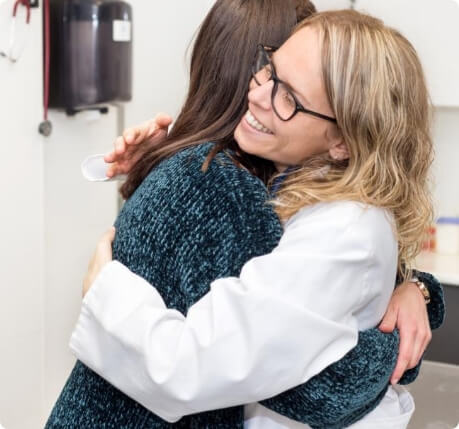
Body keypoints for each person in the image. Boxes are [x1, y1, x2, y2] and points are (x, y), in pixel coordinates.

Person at [46, 4, 444, 429]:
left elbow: (197, 367)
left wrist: (105, 292)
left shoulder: (343, 228)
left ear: (343, 141)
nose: (256, 94)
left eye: (289, 97)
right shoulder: (261, 179)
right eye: (268, 69)